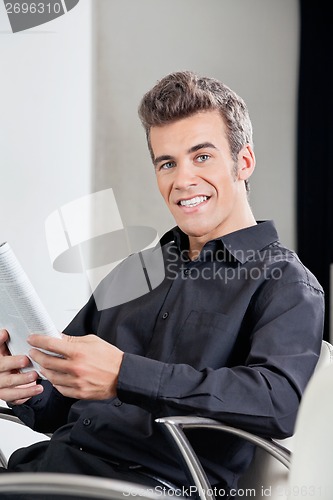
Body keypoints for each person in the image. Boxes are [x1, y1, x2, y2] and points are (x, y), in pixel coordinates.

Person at [0, 71, 324, 499]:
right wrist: (23, 387)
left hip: (144, 487)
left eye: (202, 156)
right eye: (167, 163)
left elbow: (278, 402)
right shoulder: (139, 269)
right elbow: (59, 406)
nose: (182, 180)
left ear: (243, 162)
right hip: (51, 469)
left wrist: (124, 374)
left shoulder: (284, 282)